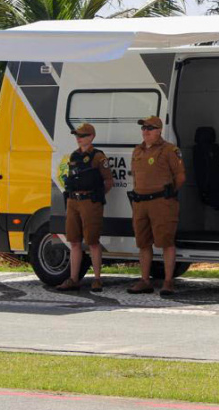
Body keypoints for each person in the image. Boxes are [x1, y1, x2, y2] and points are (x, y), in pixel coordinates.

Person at [126, 116, 185, 296]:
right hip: (141, 203)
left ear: (159, 130)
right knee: (143, 243)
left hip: (162, 202)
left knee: (166, 242)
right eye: (143, 128)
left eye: (150, 128)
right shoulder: (137, 150)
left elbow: (180, 176)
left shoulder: (169, 150)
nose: (145, 131)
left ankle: (168, 282)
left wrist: (170, 192)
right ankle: (145, 280)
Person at [56, 123, 113, 292]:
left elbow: (108, 181)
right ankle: (74, 278)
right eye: (77, 136)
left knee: (93, 242)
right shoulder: (73, 156)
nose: (78, 139)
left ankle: (97, 279)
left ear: (91, 137)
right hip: (73, 201)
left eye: (82, 135)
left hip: (90, 201)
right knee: (74, 241)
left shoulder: (98, 157)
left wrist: (96, 196)